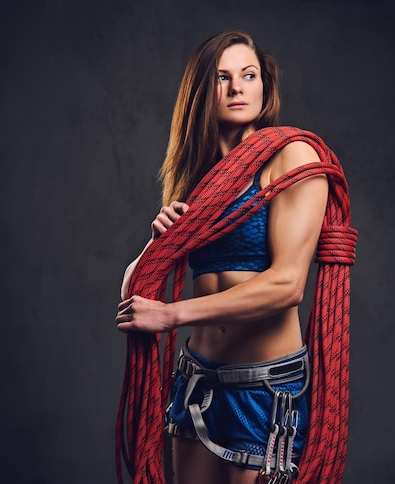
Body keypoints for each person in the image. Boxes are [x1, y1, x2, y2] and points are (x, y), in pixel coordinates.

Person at [115, 30, 355, 484]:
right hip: (197, 383)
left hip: (264, 389)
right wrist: (155, 244)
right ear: (202, 92)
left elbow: (287, 285)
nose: (237, 87)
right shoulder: (199, 177)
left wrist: (171, 315)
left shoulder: (292, 156)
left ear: (265, 86)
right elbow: (132, 302)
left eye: (249, 75)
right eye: (222, 78)